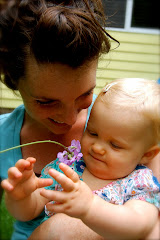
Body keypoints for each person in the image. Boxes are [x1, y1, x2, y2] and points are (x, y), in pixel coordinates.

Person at [0, 0, 118, 239]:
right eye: (47, 102)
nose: (70, 117)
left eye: (85, 94)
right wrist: (19, 197)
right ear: (14, 80)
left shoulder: (122, 120)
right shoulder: (3, 139)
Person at [2, 78, 160, 240]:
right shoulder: (69, 167)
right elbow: (29, 211)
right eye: (93, 133)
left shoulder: (138, 183)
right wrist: (22, 197)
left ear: (147, 154)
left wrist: (90, 207)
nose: (97, 147)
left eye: (115, 145)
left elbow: (139, 225)